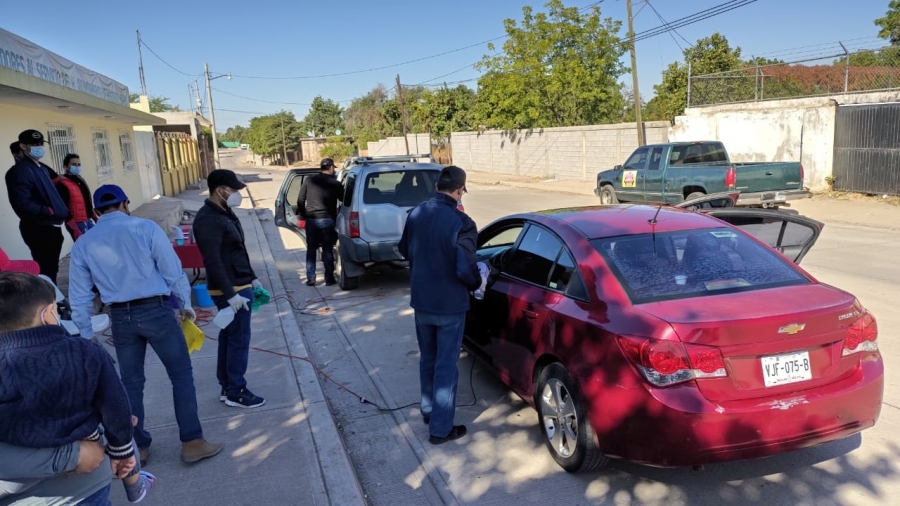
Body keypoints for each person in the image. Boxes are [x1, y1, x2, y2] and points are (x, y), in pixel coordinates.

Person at [68, 184, 223, 465]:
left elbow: (79, 296)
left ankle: (137, 446)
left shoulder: (84, 243)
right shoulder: (145, 229)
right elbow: (172, 270)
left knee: (130, 384)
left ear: (94, 212)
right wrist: (185, 304)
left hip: (121, 318)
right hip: (156, 311)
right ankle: (192, 442)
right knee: (181, 376)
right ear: (126, 203)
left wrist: (86, 333)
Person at [0, 271, 156, 504]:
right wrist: (122, 453)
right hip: (83, 483)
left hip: (16, 484)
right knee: (120, 426)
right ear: (48, 314)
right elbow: (116, 408)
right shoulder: (84, 352)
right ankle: (135, 487)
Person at [398, 165, 482, 445]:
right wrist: (475, 283)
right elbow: (465, 266)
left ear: (437, 187)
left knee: (428, 359)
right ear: (460, 190)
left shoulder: (416, 213)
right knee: (446, 366)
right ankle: (441, 429)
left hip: (422, 302)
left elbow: (403, 249)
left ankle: (429, 410)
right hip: (450, 305)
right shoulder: (463, 223)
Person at [193, 169, 266, 409]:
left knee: (230, 336)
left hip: (240, 282)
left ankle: (227, 385)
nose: (236, 194)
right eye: (233, 190)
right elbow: (212, 260)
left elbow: (238, 250)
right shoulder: (207, 219)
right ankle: (237, 390)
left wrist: (252, 278)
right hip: (229, 287)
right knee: (239, 339)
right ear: (220, 190)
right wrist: (231, 294)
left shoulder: (225, 213)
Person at [4, 130, 68, 284]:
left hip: (51, 225)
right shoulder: (20, 171)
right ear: (23, 146)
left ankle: (53, 298)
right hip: (39, 227)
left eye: (40, 144)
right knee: (45, 268)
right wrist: (47, 210)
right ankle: (48, 301)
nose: (39, 147)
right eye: (34, 144)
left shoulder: (40, 168)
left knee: (52, 267)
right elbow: (22, 202)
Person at [297, 158, 344, 286]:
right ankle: (329, 278)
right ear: (331, 168)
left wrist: (302, 215)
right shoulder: (335, 183)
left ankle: (311, 278)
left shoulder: (309, 180)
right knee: (327, 249)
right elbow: (344, 199)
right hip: (327, 219)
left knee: (311, 249)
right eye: (333, 168)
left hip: (311, 219)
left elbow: (300, 200)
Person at [54, 153, 97, 241]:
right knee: (85, 248)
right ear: (65, 167)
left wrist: (94, 217)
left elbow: (86, 201)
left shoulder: (80, 179)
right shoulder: (62, 183)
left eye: (79, 164)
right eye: (74, 164)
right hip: (77, 222)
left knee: (96, 243)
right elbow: (64, 207)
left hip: (87, 219)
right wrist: (74, 228)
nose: (77, 167)